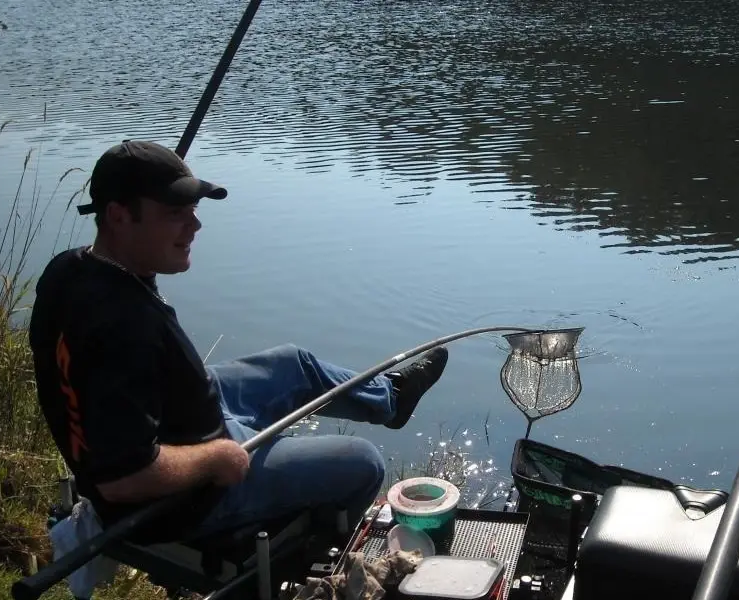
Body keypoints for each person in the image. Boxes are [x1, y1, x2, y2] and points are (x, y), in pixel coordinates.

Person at [28, 140, 449, 545]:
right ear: (118, 217)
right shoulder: (122, 325)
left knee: (293, 364)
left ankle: (390, 398)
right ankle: (309, 560)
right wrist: (216, 458)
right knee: (363, 463)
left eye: (192, 209)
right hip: (185, 501)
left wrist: (151, 233)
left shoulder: (73, 269)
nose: (195, 225)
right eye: (176, 213)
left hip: (178, 418)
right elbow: (124, 480)